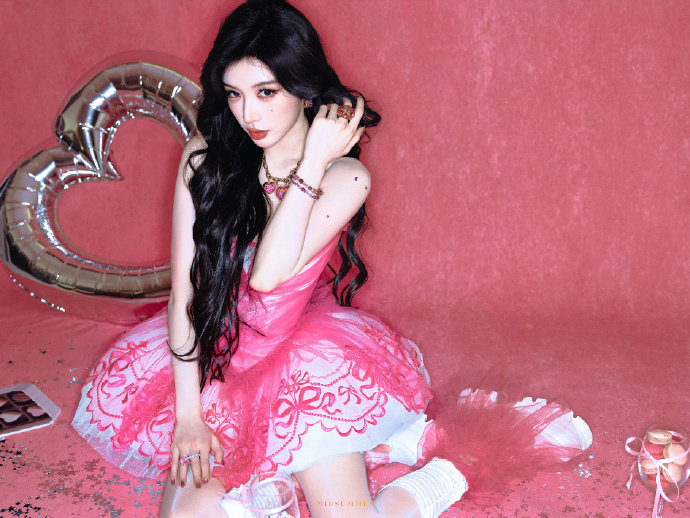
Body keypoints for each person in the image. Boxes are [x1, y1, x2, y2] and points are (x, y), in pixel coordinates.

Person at [72, 1, 591, 517]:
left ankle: (437, 473)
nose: (248, 114)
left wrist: (315, 159)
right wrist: (189, 417)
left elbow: (267, 275)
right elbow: (187, 295)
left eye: (267, 92)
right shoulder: (205, 159)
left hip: (304, 367)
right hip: (212, 360)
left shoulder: (346, 176)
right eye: (234, 94)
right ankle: (274, 484)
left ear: (304, 89)